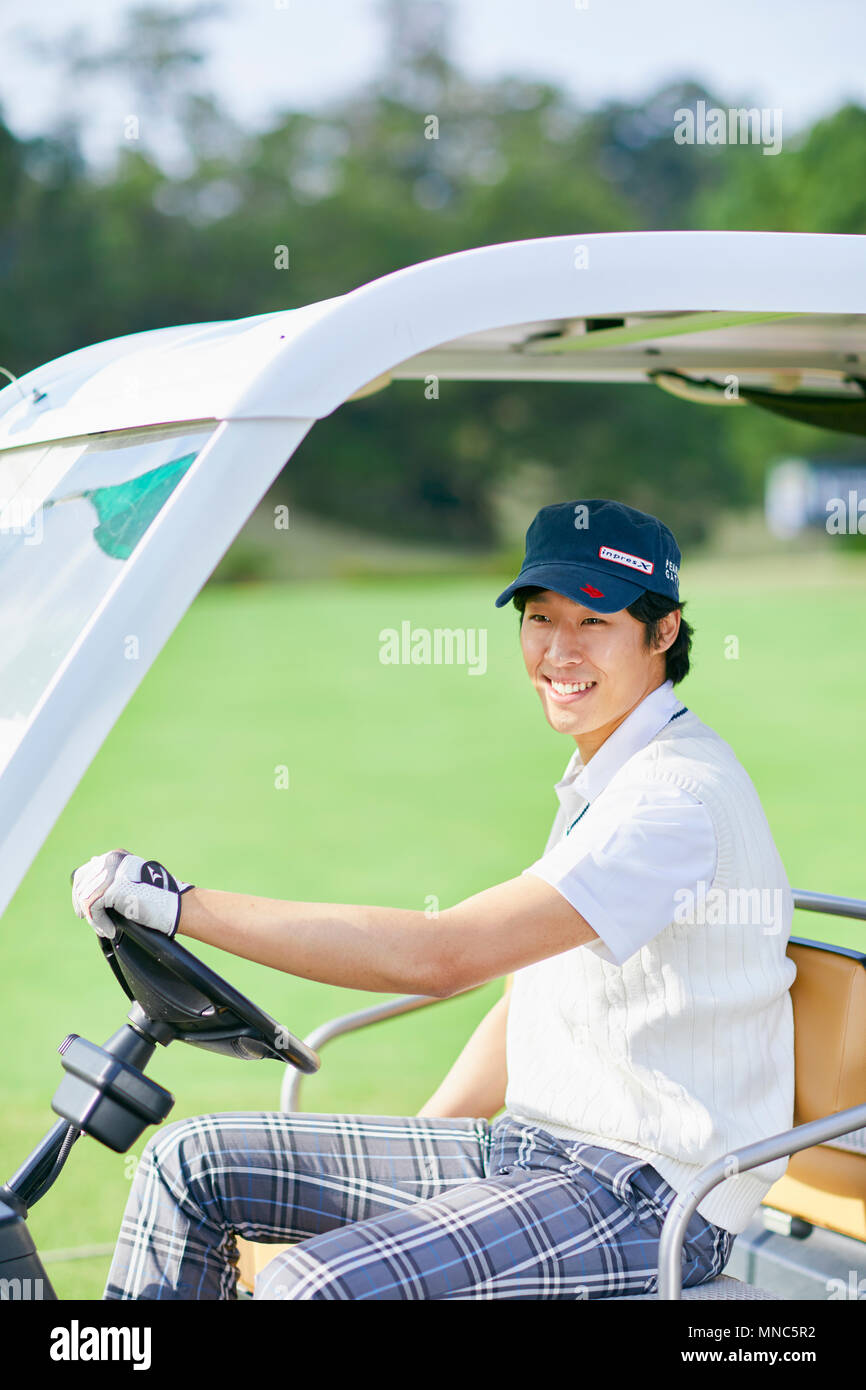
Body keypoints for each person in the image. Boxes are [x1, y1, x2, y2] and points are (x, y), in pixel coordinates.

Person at [74, 498, 796, 1301]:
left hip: (644, 1198)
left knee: (313, 1284)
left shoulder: (672, 799)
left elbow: (441, 957)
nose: (559, 650)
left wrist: (182, 908)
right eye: (539, 617)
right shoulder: (609, 778)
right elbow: (535, 999)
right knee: (188, 1164)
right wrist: (423, 1146)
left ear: (663, 632)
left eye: (594, 622)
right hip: (528, 1152)